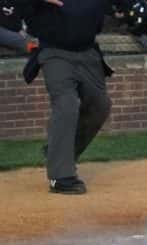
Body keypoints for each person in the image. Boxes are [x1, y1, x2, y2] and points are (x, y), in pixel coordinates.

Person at [23, 0, 113, 194]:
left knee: (101, 105)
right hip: (54, 52)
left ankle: (58, 153)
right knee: (66, 103)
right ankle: (61, 177)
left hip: (88, 52)